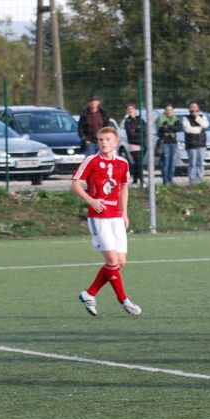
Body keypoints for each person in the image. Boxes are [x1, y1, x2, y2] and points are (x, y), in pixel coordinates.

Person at [72, 127, 141, 317]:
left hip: (116, 217)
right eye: (100, 139)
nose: (103, 142)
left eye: (107, 139)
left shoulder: (122, 163)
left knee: (120, 262)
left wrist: (124, 213)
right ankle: (124, 300)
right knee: (111, 260)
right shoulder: (91, 160)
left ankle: (89, 293)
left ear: (115, 143)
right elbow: (75, 184)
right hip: (99, 217)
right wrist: (92, 200)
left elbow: (124, 188)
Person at [182, 100, 209, 185]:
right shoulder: (186, 118)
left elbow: (205, 125)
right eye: (192, 107)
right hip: (191, 144)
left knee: (200, 163)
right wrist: (198, 129)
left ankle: (200, 181)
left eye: (195, 107)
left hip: (201, 143)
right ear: (189, 108)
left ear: (198, 108)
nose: (194, 109)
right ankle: (192, 181)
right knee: (192, 163)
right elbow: (188, 129)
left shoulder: (202, 117)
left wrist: (197, 118)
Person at [155, 103, 182, 185]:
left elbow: (179, 127)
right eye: (167, 110)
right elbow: (162, 130)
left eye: (170, 110)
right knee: (166, 162)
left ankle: (170, 180)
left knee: (172, 162)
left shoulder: (175, 119)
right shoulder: (161, 118)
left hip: (173, 142)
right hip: (165, 142)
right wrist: (171, 128)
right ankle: (165, 181)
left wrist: (169, 127)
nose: (169, 111)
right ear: (165, 111)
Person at [123, 103, 143, 185]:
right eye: (129, 109)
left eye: (132, 109)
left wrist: (137, 129)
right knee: (137, 162)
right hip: (133, 144)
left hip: (142, 144)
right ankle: (137, 180)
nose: (130, 111)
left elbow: (144, 129)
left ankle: (138, 180)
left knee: (140, 163)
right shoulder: (127, 121)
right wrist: (138, 129)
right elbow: (131, 133)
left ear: (135, 110)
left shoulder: (139, 119)